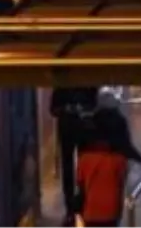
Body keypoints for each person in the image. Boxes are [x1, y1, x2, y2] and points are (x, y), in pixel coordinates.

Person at [50, 87, 98, 222]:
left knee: (81, 167)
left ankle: (81, 202)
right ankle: (71, 207)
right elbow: (53, 109)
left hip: (79, 129)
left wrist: (80, 110)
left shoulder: (83, 84)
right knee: (68, 169)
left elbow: (94, 104)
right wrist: (68, 109)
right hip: (70, 129)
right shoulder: (63, 86)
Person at [75, 123, 130, 228]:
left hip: (90, 211)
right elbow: (121, 185)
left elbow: (81, 186)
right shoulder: (119, 160)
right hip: (111, 212)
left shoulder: (84, 159)